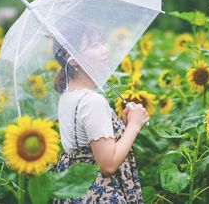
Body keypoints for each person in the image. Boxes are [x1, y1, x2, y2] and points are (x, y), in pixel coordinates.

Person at [52, 24, 149, 203]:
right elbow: (108, 164)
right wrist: (134, 126)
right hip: (101, 193)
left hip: (77, 190)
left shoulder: (68, 97)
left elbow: (86, 146)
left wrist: (123, 127)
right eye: (94, 45)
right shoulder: (92, 101)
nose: (104, 50)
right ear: (71, 59)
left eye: (102, 43)